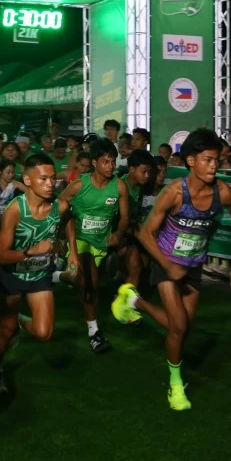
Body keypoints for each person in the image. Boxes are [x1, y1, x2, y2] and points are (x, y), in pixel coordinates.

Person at [113, 129, 231, 410]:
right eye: (208, 160)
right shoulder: (174, 193)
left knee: (183, 329)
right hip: (165, 262)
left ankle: (133, 300)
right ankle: (175, 385)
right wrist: (167, 265)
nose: (215, 165)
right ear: (190, 161)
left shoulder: (223, 192)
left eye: (217, 160)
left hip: (193, 266)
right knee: (178, 326)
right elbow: (146, 233)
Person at [0, 152, 62, 395]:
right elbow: (2, 255)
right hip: (12, 275)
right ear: (28, 181)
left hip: (39, 275)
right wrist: (32, 250)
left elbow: (68, 220)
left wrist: (66, 249)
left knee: (44, 333)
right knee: (5, 332)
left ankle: (22, 321)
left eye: (52, 179)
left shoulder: (57, 206)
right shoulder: (15, 210)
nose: (50, 184)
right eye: (43, 179)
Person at [59, 138, 129, 354]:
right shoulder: (79, 186)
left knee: (81, 280)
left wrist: (118, 233)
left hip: (101, 244)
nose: (110, 166)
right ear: (95, 163)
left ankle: (56, 275)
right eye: (106, 162)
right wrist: (58, 238)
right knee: (90, 282)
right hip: (80, 240)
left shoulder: (119, 186)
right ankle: (95, 334)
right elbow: (59, 209)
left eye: (113, 162)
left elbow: (125, 216)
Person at [117, 150, 157, 305]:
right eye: (144, 172)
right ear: (132, 169)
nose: (147, 176)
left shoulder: (140, 187)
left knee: (138, 265)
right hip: (112, 233)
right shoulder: (120, 186)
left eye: (149, 172)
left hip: (128, 234)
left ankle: (124, 303)